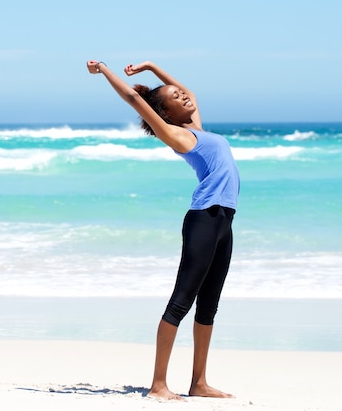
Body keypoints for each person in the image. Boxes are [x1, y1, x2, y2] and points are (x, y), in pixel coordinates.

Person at [86, 60, 240, 401]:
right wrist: (106, 71)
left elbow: (194, 94)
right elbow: (133, 98)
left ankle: (198, 383)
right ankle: (158, 385)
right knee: (181, 302)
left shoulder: (197, 129)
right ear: (166, 113)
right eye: (176, 97)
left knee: (209, 306)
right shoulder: (176, 134)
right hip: (204, 218)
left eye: (181, 93)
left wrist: (153, 68)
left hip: (224, 221)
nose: (184, 96)